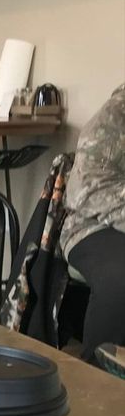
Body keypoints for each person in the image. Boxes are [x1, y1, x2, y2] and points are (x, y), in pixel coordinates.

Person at [60, 81, 125, 365]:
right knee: (120, 276)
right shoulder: (117, 114)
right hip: (92, 224)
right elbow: (85, 188)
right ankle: (97, 377)